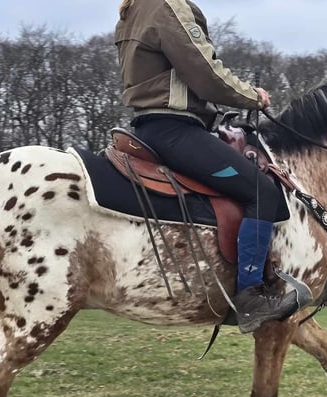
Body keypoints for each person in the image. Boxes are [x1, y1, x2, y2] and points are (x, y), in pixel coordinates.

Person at [115, 0, 300, 333]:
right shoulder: (167, 6)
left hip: (146, 127)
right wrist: (252, 96)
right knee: (262, 191)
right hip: (176, 131)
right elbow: (204, 72)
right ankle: (250, 296)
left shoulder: (131, 10)